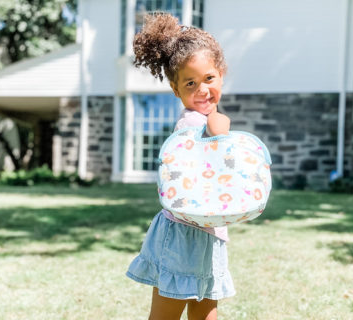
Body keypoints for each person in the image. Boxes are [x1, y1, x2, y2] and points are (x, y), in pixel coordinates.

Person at [125, 13, 234, 320]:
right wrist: (219, 130)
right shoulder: (191, 123)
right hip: (182, 233)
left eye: (209, 78)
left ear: (221, 74)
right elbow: (214, 155)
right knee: (166, 313)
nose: (202, 90)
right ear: (176, 89)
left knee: (205, 309)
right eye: (190, 83)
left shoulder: (205, 120)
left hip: (208, 231)